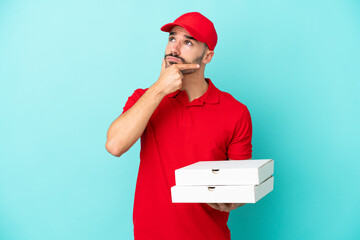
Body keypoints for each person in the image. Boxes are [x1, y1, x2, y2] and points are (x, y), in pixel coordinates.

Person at [105, 12, 252, 240]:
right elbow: (114, 145)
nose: (174, 49)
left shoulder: (235, 112)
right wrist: (159, 89)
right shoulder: (145, 98)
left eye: (188, 42)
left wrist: (233, 199)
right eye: (172, 38)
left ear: (207, 56)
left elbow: (243, 185)